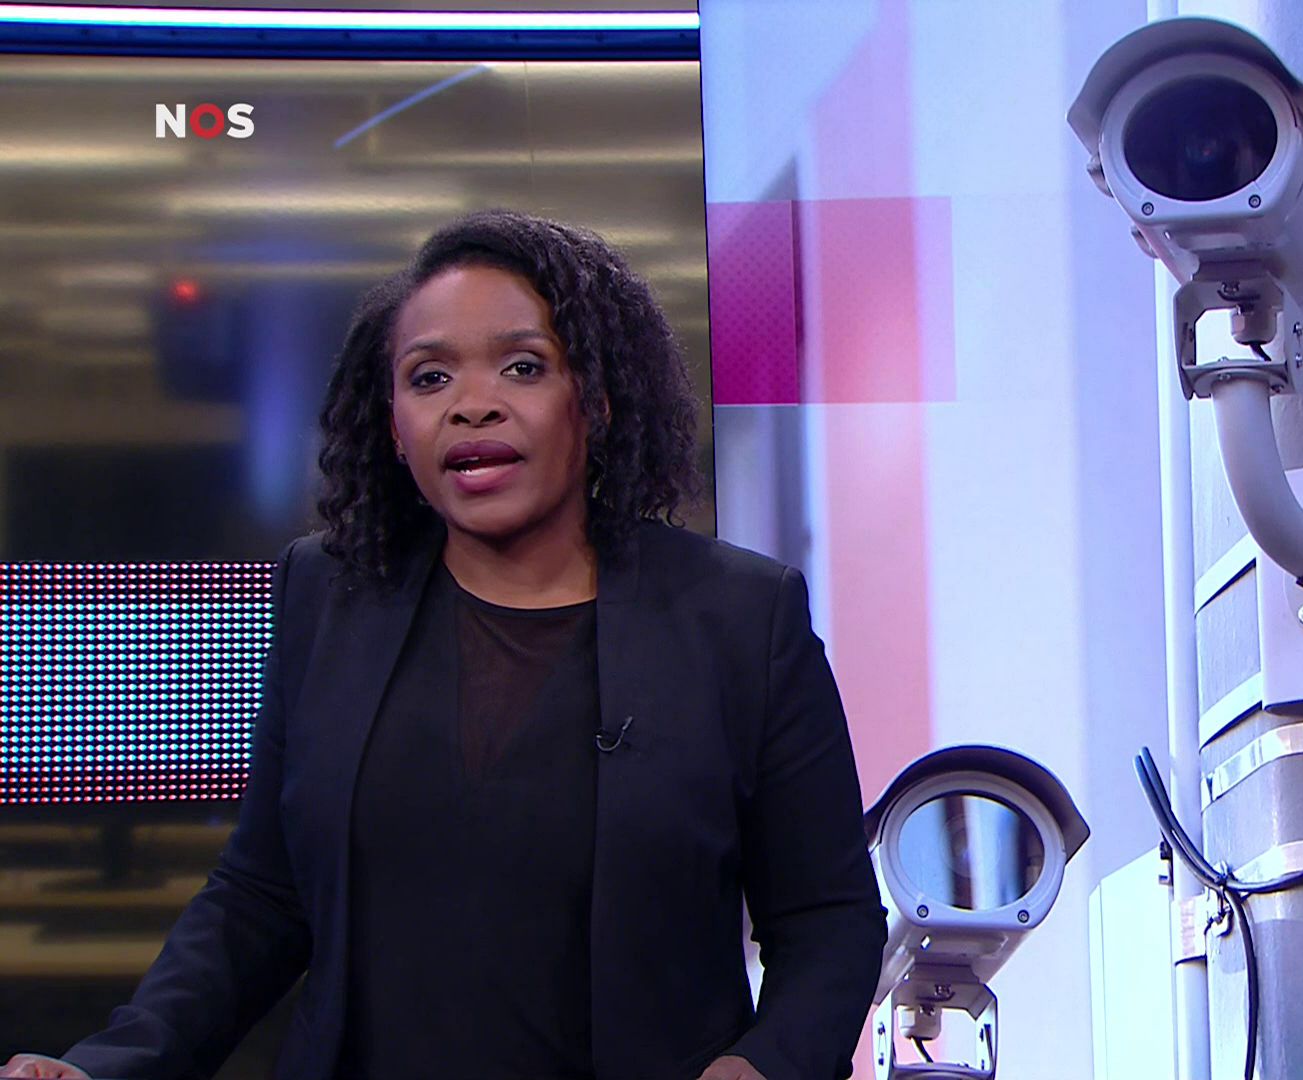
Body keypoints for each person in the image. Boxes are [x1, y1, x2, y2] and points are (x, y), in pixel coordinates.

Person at [2, 209, 887, 1080]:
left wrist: (760, 1066)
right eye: (429, 378)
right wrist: (111, 1066)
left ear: (598, 398)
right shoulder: (328, 593)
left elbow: (829, 923)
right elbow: (261, 895)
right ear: (394, 427)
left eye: (523, 366)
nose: (472, 405)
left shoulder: (741, 617)